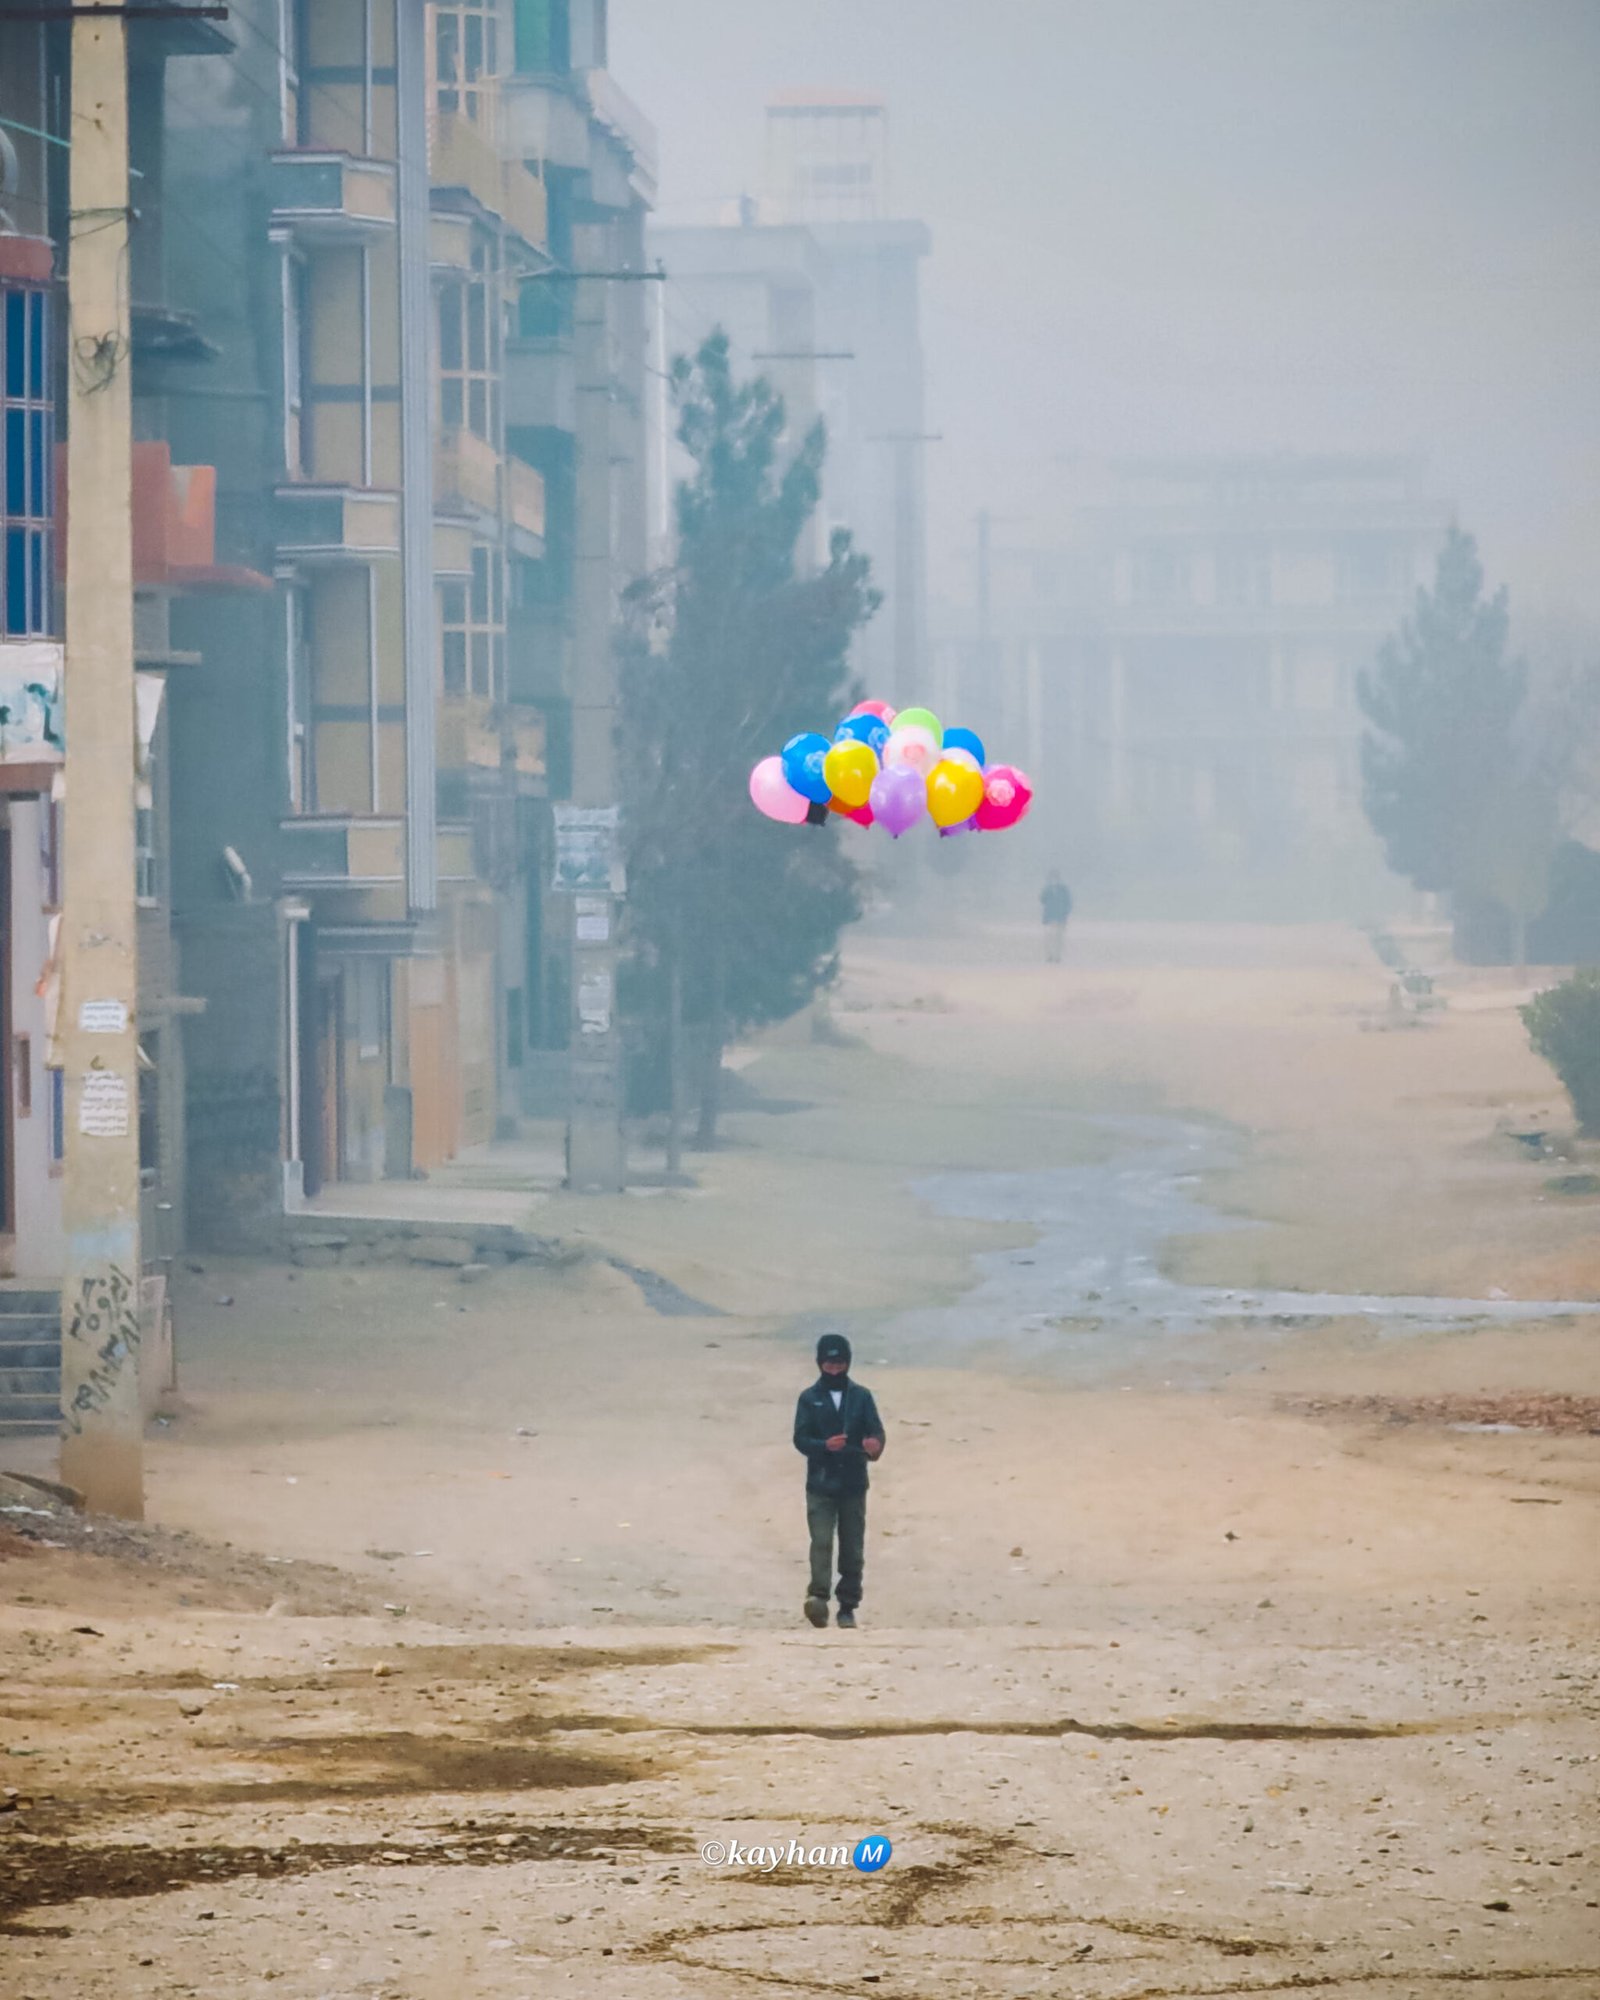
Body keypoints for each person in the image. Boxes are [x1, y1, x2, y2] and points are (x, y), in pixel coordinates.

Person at [793, 1332, 885, 1629]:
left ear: (848, 1363)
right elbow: (800, 1438)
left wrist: (875, 1447)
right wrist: (824, 1446)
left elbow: (876, 1433)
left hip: (853, 1483)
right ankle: (818, 1599)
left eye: (839, 1363)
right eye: (829, 1364)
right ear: (819, 1363)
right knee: (821, 1542)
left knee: (852, 1547)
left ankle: (847, 1606)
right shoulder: (809, 1398)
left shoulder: (861, 1396)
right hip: (820, 1483)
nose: (834, 1369)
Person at [1040, 870, 1072, 962]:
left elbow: (1068, 903)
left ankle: (1058, 956)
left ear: (1059, 879)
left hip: (1060, 918)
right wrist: (1047, 888)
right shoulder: (1047, 889)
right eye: (1052, 878)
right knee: (1048, 938)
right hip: (1049, 918)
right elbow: (1042, 899)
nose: (1054, 880)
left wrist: (1065, 913)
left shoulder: (1064, 890)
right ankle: (1049, 956)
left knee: (1059, 938)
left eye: (1056, 878)